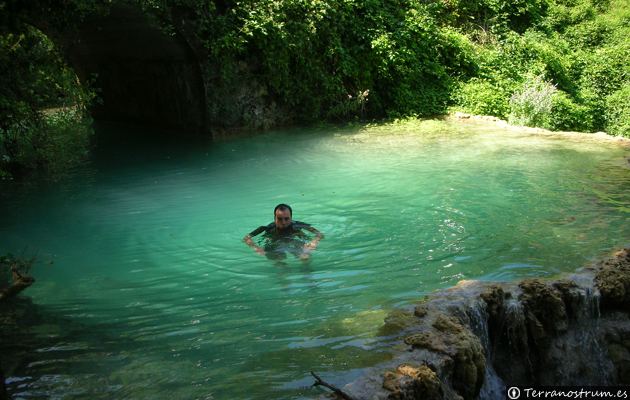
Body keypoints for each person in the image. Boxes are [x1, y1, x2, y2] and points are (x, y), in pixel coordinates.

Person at [243, 204, 324, 260]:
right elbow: (246, 238)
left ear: (291, 218)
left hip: (293, 241)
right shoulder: (268, 228)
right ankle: (283, 279)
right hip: (275, 243)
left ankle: (307, 275)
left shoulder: (297, 225)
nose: (283, 222)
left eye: (286, 218)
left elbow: (319, 234)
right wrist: (256, 248)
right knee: (278, 260)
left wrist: (314, 242)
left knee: (305, 257)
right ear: (274, 218)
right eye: (280, 219)